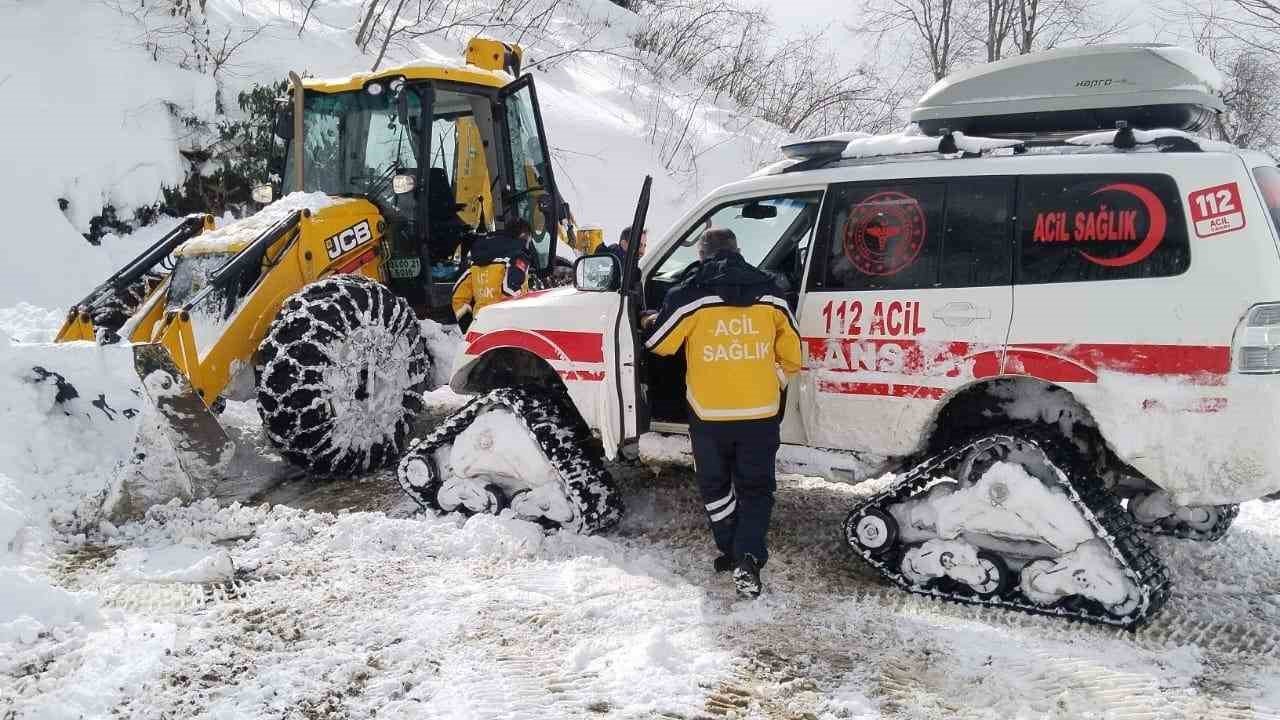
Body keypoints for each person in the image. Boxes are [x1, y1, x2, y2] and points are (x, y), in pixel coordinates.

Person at [642, 228, 802, 598]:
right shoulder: (772, 291)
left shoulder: (688, 295)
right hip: (760, 411)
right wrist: (774, 378)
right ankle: (747, 555)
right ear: (738, 250)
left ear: (702, 256)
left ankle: (730, 549)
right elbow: (793, 354)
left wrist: (652, 319)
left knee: (715, 485)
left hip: (709, 413)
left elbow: (660, 345)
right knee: (756, 488)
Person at [451, 218, 534, 332]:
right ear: (524, 235)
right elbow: (510, 289)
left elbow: (458, 298)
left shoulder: (476, 261)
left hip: (481, 327)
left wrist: (468, 328)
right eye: (529, 239)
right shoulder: (518, 257)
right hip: (508, 329)